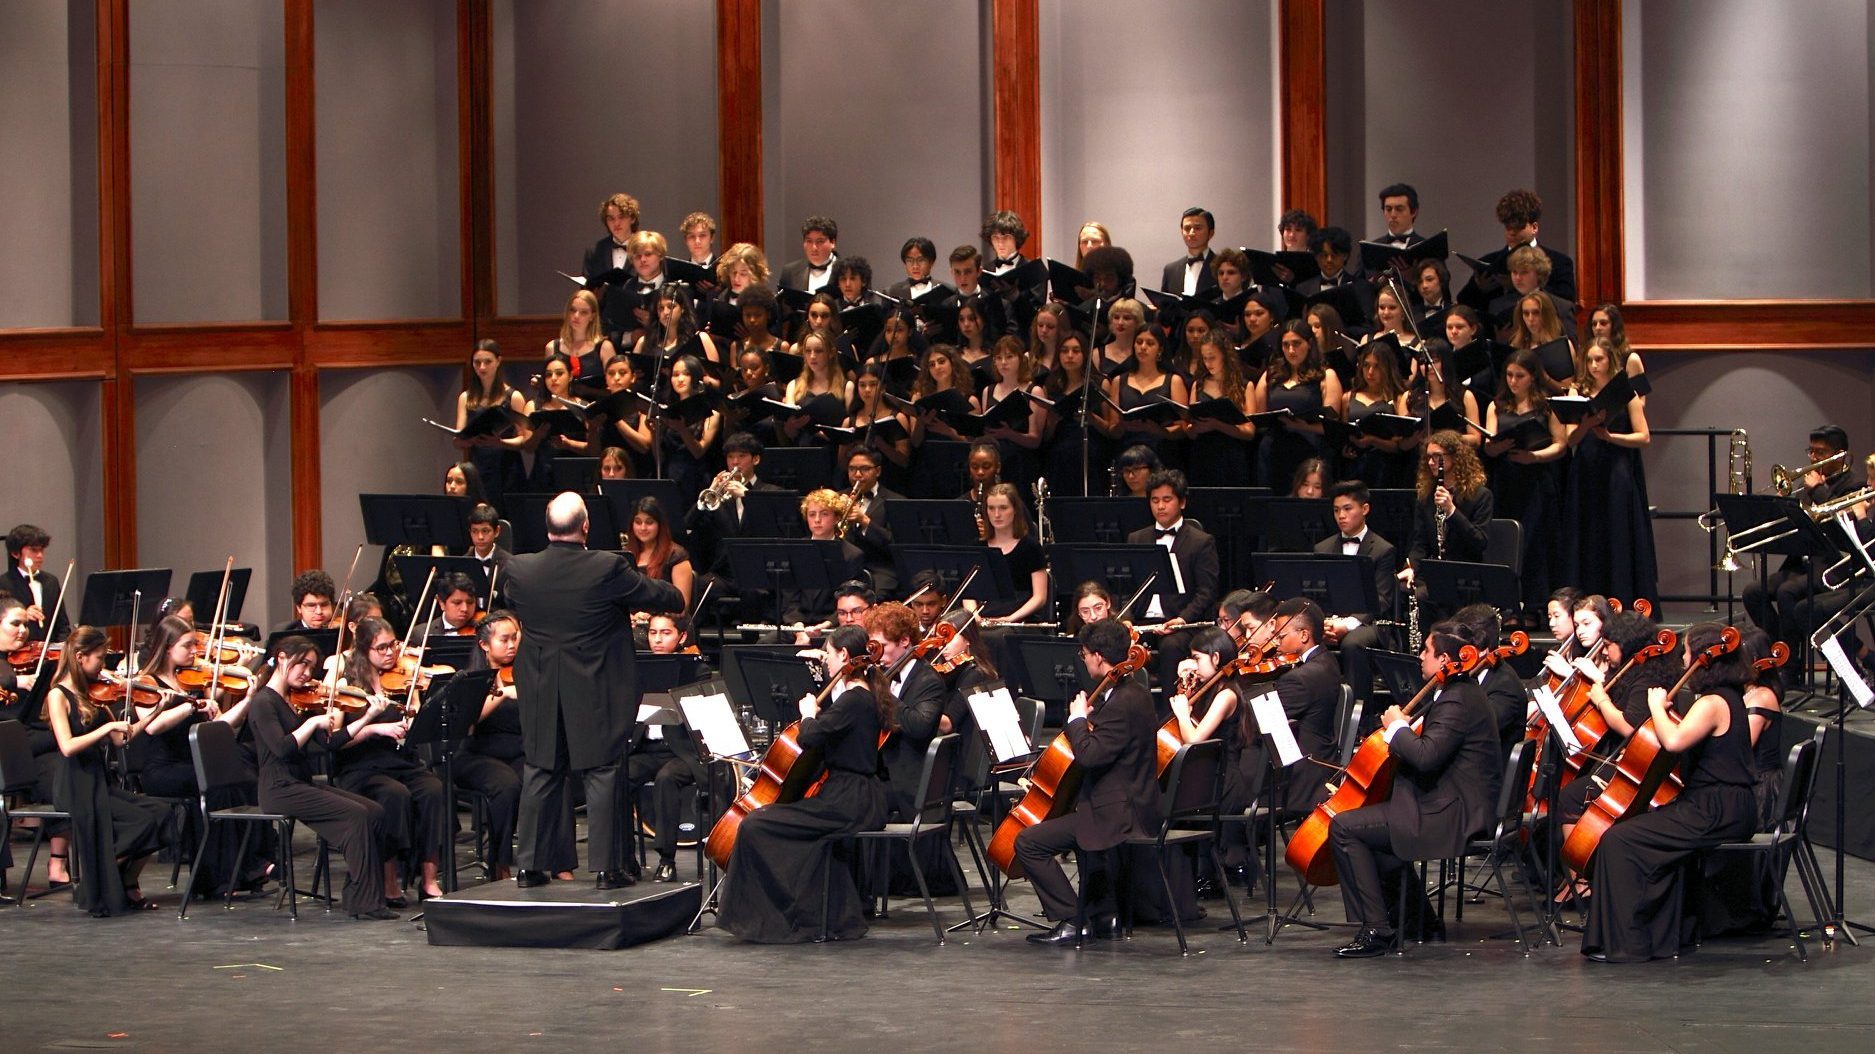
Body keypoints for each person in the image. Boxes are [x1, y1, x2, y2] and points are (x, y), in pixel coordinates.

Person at [502, 492, 684, 888]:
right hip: (594, 687)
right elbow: (663, 596)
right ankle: (606, 868)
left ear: (548, 527)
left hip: (540, 688)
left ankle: (530, 867)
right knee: (602, 770)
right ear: (586, 526)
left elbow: (518, 603)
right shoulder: (605, 567)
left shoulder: (519, 568)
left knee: (541, 769)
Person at [1582, 623, 1759, 963]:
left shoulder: (1713, 702)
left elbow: (1674, 741)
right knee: (1642, 837)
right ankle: (1661, 935)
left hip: (1717, 808)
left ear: (1704, 659)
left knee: (1620, 840)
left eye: (1688, 652)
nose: (1683, 658)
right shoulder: (1728, 697)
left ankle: (1630, 944)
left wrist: (1657, 708)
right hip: (1723, 804)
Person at [1327, 622, 1501, 957]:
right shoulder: (1458, 693)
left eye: (1426, 651)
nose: (1419, 656)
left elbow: (1424, 757)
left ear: (1446, 658)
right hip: (1446, 802)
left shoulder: (1457, 701)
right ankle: (1419, 921)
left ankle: (1376, 930)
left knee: (1345, 827)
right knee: (1372, 832)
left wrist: (1396, 728)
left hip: (1452, 813)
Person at [716, 624, 890, 942]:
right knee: (775, 824)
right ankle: (825, 915)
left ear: (844, 655)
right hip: (854, 796)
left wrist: (808, 713)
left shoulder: (854, 700)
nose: (825, 660)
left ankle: (775, 919)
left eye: (829, 654)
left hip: (848, 800)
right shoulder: (864, 697)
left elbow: (810, 736)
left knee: (757, 824)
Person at [1014, 619, 1161, 945]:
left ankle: (1071, 918)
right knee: (1073, 824)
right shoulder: (1134, 693)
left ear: (1097, 656)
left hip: (1118, 815)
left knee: (1028, 843)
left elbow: (1091, 756)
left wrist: (1078, 719)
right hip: (1126, 803)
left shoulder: (1121, 702)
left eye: (1083, 655)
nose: (1084, 661)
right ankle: (1100, 915)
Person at [246, 634, 398, 919]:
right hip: (279, 787)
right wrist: (313, 721)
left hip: (298, 783)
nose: (307, 673)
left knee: (374, 811)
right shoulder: (264, 702)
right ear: (281, 658)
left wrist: (367, 718)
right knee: (356, 815)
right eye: (302, 664)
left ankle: (360, 894)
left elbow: (330, 743)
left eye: (312, 667)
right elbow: (281, 748)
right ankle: (367, 903)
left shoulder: (294, 700)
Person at [128, 615, 271, 900]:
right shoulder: (146, 683)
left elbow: (222, 727)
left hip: (193, 764)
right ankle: (215, 877)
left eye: (195, 644)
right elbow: (153, 726)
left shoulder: (192, 680)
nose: (195, 651)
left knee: (244, 781)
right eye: (188, 645)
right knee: (219, 786)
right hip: (162, 770)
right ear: (167, 648)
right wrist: (188, 707)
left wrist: (247, 701)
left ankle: (245, 868)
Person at [43, 626, 171, 915]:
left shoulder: (94, 692)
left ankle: (124, 879)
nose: (103, 665)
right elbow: (67, 746)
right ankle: (105, 876)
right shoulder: (58, 695)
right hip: (75, 783)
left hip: (99, 779)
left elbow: (121, 738)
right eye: (99, 658)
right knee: (141, 822)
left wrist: (157, 711)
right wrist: (106, 727)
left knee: (161, 813)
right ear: (80, 656)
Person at [331, 616, 450, 904]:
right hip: (362, 768)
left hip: (400, 762)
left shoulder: (401, 679)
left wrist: (416, 711)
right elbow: (335, 739)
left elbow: (418, 728)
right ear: (363, 650)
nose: (390, 653)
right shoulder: (347, 685)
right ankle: (389, 882)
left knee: (434, 790)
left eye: (393, 646)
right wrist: (373, 727)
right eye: (381, 648)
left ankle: (429, 879)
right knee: (395, 796)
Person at [1561, 340, 1657, 605]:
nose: (1593, 366)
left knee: (1617, 531)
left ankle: (1623, 599)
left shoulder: (1625, 391)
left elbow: (1643, 436)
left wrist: (1610, 436)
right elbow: (1570, 439)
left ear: (1610, 360)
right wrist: (1588, 424)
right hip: (1587, 469)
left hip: (1617, 468)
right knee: (1589, 533)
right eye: (1589, 360)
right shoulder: (1576, 391)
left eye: (1599, 360)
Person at [1482, 348, 1568, 619]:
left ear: (1532, 377)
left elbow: (1561, 444)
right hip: (1505, 479)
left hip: (1535, 479)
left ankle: (1534, 606)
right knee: (1505, 542)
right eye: (1509, 375)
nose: (1513, 381)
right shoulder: (1497, 405)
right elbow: (1488, 444)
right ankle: (1507, 607)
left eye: (1519, 375)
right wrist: (1495, 448)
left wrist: (1534, 457)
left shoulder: (1546, 405)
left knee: (1534, 542)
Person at [624, 614, 709, 883]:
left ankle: (666, 859)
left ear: (682, 637)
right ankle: (624, 858)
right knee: (615, 776)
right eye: (652, 633)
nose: (657, 639)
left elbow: (702, 719)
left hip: (682, 751)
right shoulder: (637, 667)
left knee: (667, 779)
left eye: (665, 633)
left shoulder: (696, 669)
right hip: (645, 748)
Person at [1126, 469, 1221, 693]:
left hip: (1180, 623)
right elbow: (1128, 587)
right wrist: (1127, 618)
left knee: (1171, 646)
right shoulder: (1136, 538)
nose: (1160, 506)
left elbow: (1206, 592)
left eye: (1167, 500)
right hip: (1142, 619)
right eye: (1155, 500)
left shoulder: (1201, 542)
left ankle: (1170, 713)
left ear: (1182, 502)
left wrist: (1182, 619)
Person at [1314, 481, 1398, 711]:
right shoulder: (1322, 548)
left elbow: (1381, 600)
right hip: (1332, 621)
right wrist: (1327, 623)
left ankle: (1358, 717)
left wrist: (1347, 625)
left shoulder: (1383, 549)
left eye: (1347, 508)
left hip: (1370, 623)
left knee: (1353, 643)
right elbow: (1319, 595)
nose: (1341, 515)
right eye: (1336, 510)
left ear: (1365, 509)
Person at [457, 610, 526, 881]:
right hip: (477, 755)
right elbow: (467, 724)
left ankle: (550, 861)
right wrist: (501, 695)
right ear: (485, 644)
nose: (512, 645)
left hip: (518, 751)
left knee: (546, 776)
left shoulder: (524, 673)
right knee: (506, 786)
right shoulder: (470, 678)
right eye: (504, 640)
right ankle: (499, 862)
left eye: (515, 638)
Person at [1399, 430, 1494, 609]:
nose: (1430, 462)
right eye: (1428, 457)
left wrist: (1452, 511)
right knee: (1400, 589)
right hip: (1436, 572)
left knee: (1425, 596)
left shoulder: (1481, 496)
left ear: (1455, 457)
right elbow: (1420, 543)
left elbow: (1479, 542)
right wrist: (1411, 567)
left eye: (1437, 457)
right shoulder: (1426, 496)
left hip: (1465, 574)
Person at [1255, 321, 1343, 491]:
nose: (1291, 350)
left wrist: (1301, 425)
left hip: (1308, 450)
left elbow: (1333, 426)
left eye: (1296, 344)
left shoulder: (1326, 375)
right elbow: (1259, 415)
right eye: (1285, 345)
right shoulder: (1271, 375)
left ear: (1309, 344)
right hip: (1274, 450)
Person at [1457, 189, 1578, 312]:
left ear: (1534, 227)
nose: (1512, 232)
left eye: (1519, 227)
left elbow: (1567, 300)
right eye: (1508, 227)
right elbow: (1464, 303)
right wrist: (1479, 289)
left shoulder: (1559, 262)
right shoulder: (1489, 262)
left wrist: (1526, 285)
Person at [452, 339, 529, 508]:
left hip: (507, 469)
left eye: (487, 362)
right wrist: (468, 440)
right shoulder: (466, 398)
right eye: (477, 362)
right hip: (478, 468)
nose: (482, 368)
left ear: (498, 361)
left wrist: (499, 442)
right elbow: (458, 439)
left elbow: (524, 439)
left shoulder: (513, 397)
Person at [581, 192, 643, 346]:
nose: (616, 223)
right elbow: (586, 288)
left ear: (633, 218)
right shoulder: (595, 251)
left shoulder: (646, 247)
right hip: (605, 329)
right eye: (611, 218)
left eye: (621, 217)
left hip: (637, 328)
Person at [5, 524, 68, 644]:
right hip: (18, 655)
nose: (40, 555)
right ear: (15, 553)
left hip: (50, 654)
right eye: (34, 550)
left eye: (41, 550)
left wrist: (61, 648)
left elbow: (62, 624)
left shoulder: (51, 581)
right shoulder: (3, 584)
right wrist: (23, 616)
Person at [1162, 206, 1218, 296]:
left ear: (1211, 233)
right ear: (1181, 232)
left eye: (1198, 228)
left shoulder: (1222, 267)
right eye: (1187, 228)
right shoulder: (1170, 270)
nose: (1191, 233)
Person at [776, 215, 839, 293]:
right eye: (809, 241)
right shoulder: (789, 272)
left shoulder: (846, 272)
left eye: (819, 241)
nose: (814, 248)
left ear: (833, 242)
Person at [1373, 182, 1423, 246]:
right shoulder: (1370, 250)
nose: (1393, 215)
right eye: (1388, 209)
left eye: (1399, 209)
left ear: (1414, 212)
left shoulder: (1428, 249)